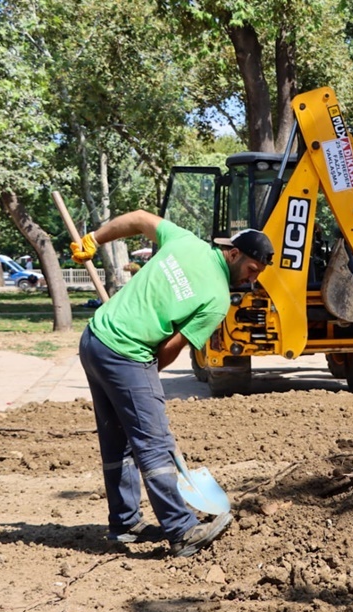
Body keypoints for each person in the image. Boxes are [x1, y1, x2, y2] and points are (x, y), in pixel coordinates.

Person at [70, 211, 273, 556]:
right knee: (155, 444)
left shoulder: (184, 240)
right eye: (252, 269)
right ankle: (181, 530)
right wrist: (144, 379)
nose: (252, 280)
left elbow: (137, 219)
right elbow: (171, 349)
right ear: (235, 254)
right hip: (125, 354)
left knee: (117, 439)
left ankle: (125, 523)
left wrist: (96, 238)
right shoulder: (218, 300)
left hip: (94, 341)